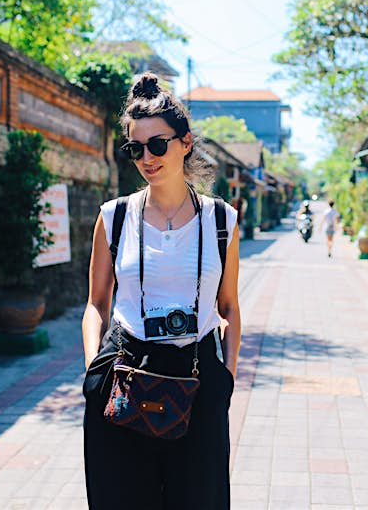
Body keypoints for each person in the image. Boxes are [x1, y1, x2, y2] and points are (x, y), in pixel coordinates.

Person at [81, 72, 241, 510]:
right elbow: (97, 303)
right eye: (136, 148)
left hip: (198, 374)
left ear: (185, 142)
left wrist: (226, 375)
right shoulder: (113, 217)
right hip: (125, 374)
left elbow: (228, 305)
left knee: (199, 498)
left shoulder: (221, 220)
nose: (147, 158)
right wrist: (94, 370)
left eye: (158, 144)